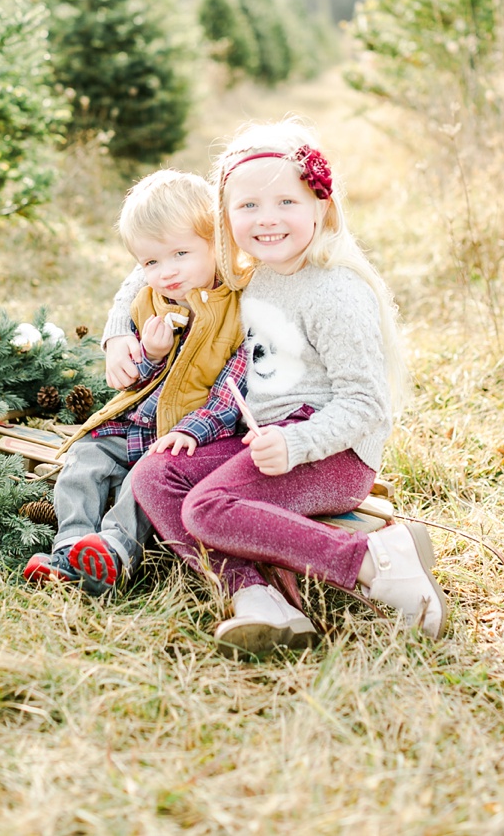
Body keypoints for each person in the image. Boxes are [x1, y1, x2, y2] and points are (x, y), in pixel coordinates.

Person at [107, 119, 447, 653]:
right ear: (225, 220)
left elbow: (366, 404)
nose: (267, 221)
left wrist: (295, 444)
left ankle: (374, 562)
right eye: (247, 208)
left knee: (205, 507)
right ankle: (260, 599)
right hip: (264, 439)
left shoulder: (334, 290)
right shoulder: (253, 271)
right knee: (155, 474)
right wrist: (116, 339)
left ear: (321, 206)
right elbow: (149, 264)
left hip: (332, 453)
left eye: (286, 202)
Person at [24, 169, 247, 596]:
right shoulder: (150, 301)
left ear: (217, 243)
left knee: (140, 482)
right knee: (84, 461)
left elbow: (230, 396)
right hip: (136, 426)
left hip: (184, 439)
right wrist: (152, 355)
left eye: (181, 253)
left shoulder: (239, 311)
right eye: (151, 262)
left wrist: (189, 430)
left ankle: (115, 552)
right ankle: (69, 548)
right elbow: (142, 382)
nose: (167, 272)